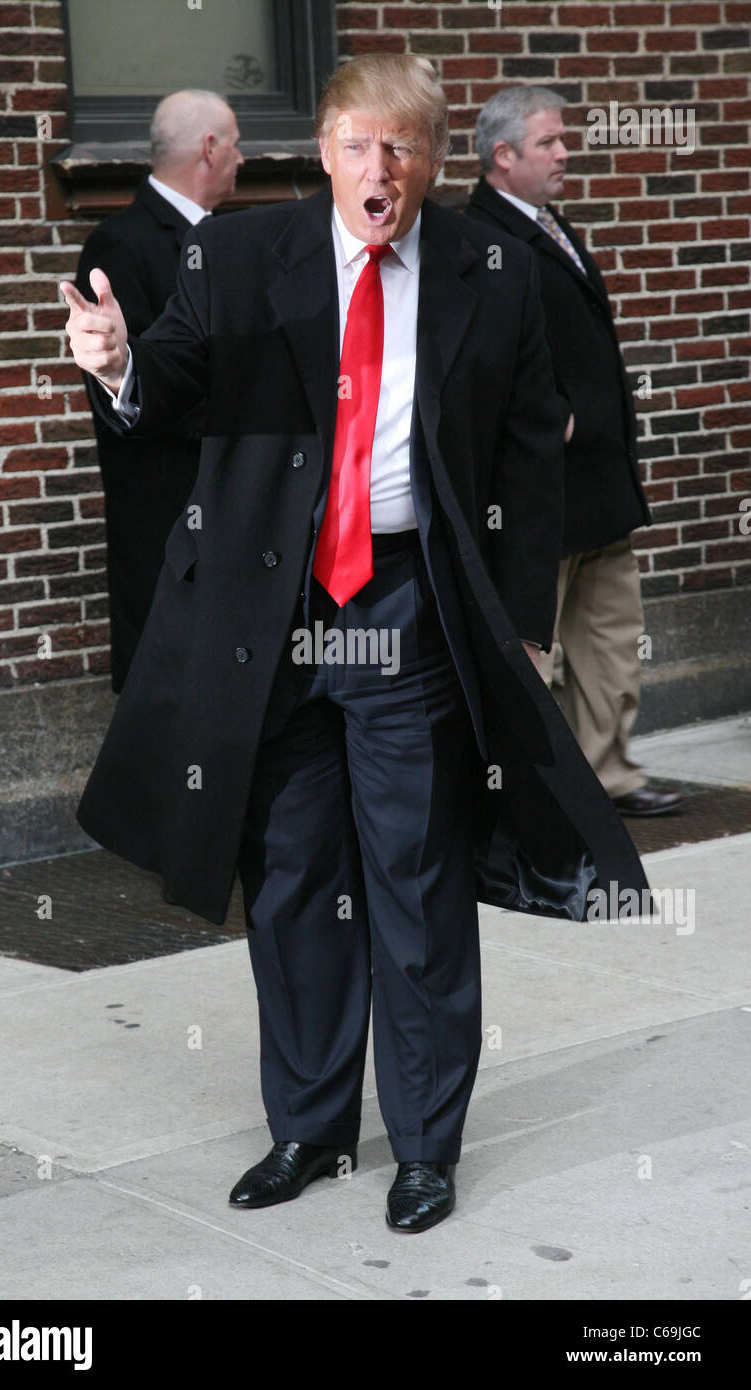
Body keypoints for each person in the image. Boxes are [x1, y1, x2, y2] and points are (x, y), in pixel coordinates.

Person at [60, 54, 649, 1234]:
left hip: (405, 605)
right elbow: (174, 374)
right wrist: (119, 362)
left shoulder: (493, 272)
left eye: (404, 147)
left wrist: (522, 627)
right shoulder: (241, 255)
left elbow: (532, 457)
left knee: (416, 879)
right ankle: (312, 1130)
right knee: (291, 881)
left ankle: (425, 1143)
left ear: (431, 162)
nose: (379, 170)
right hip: (275, 623)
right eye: (357, 144)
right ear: (319, 149)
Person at [466, 86, 683, 818]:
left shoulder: (549, 224)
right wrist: (542, 418)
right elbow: (478, 361)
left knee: (612, 640)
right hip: (538, 489)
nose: (565, 153)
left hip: (597, 484)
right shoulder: (479, 240)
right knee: (535, 647)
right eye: (550, 142)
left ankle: (608, 773)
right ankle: (534, 791)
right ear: (503, 156)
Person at [76, 90, 243, 691]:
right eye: (236, 143)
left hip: (239, 505)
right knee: (170, 694)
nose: (243, 159)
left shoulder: (236, 238)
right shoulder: (120, 244)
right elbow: (128, 393)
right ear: (209, 148)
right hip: (169, 512)